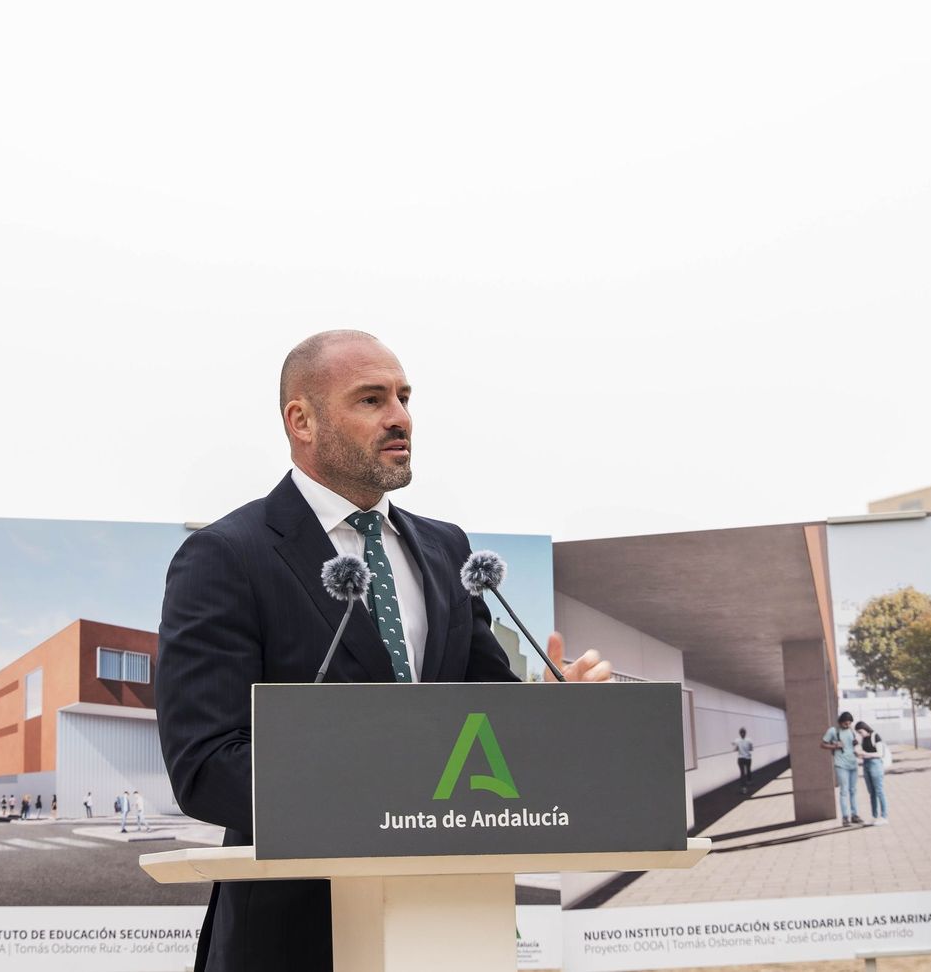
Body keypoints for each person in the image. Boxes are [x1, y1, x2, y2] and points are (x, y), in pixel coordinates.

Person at [157, 330, 612, 972]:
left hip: (452, 928)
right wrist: (394, 796)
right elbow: (207, 765)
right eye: (371, 399)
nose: (400, 418)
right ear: (302, 421)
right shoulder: (228, 557)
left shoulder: (447, 549)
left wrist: (558, 712)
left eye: (403, 397)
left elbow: (485, 724)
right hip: (294, 940)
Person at [821, 711, 863, 826]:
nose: (848, 725)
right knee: (844, 791)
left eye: (849, 723)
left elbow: (854, 745)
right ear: (840, 721)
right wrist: (835, 746)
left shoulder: (851, 730)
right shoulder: (833, 731)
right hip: (841, 765)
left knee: (853, 791)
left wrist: (856, 745)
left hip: (853, 764)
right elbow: (822, 744)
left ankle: (855, 815)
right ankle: (845, 818)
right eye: (846, 723)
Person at [853, 722, 888, 826]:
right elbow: (864, 753)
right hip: (866, 764)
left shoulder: (875, 736)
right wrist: (859, 754)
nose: (860, 734)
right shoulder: (864, 739)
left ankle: (884, 817)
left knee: (879, 791)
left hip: (876, 764)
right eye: (858, 733)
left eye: (860, 732)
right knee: (871, 792)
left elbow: (881, 754)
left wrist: (866, 754)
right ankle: (874, 816)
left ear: (865, 728)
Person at [733, 727, 754, 794]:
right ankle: (749, 781)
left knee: (742, 773)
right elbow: (751, 749)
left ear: (740, 733)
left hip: (741, 758)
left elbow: (735, 749)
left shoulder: (737, 740)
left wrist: (736, 749)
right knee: (748, 770)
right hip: (747, 758)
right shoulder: (749, 740)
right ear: (745, 733)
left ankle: (744, 787)